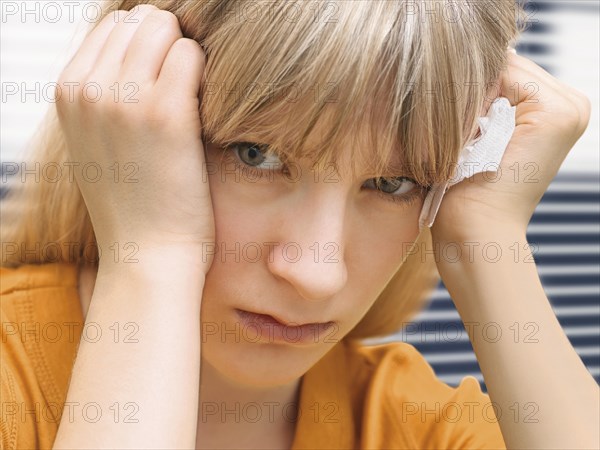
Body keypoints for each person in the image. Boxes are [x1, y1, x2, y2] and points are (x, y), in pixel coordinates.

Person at [1, 0, 598, 449]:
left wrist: (485, 239)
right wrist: (152, 256)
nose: (317, 274)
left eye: (395, 183)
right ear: (128, 120)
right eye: (256, 154)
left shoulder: (407, 425)